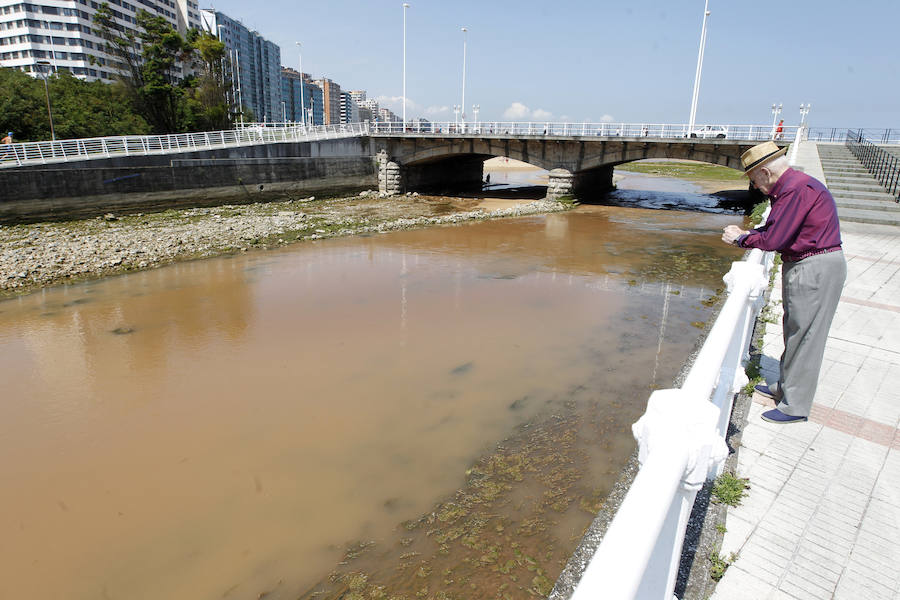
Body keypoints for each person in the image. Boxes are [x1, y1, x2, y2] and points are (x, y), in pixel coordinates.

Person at [721, 141, 845, 424]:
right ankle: (785, 388)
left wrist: (741, 238)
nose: (756, 187)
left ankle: (796, 406)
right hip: (806, 264)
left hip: (815, 267)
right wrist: (750, 233)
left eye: (754, 181)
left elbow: (775, 240)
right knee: (795, 330)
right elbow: (777, 229)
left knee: (807, 337)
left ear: (764, 172)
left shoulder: (795, 190)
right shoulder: (792, 188)